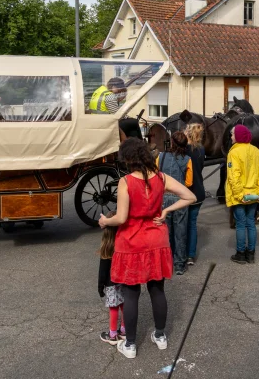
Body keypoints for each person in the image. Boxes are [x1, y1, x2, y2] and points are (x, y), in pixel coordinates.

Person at [99, 138, 195, 360]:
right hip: (156, 240)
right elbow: (190, 196)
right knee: (157, 290)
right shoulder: (161, 177)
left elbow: (121, 217)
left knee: (131, 294)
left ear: (128, 158)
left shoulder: (126, 181)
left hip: (131, 241)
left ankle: (130, 344)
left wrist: (105, 222)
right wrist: (166, 211)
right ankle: (160, 336)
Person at [226, 124, 259, 265]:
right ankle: (251, 254)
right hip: (254, 194)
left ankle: (240, 253)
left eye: (232, 134)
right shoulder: (256, 151)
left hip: (240, 196)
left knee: (240, 224)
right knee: (251, 223)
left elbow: (233, 176)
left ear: (238, 136)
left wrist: (239, 194)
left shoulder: (234, 153)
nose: (231, 137)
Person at [156, 131, 193, 275]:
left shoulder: (160, 157)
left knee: (166, 232)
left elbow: (156, 175)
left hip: (164, 198)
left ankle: (166, 262)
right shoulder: (188, 159)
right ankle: (179, 264)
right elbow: (189, 182)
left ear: (171, 143)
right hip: (180, 199)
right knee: (181, 231)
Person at [98, 225, 126, 345]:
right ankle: (124, 330)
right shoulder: (123, 245)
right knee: (124, 306)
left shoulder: (106, 248)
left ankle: (113, 334)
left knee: (113, 308)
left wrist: (100, 286)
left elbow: (102, 271)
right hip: (124, 281)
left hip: (111, 283)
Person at [185, 123, 205, 266]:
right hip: (199, 191)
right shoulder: (201, 150)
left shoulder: (184, 150)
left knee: (181, 224)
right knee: (192, 224)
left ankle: (179, 252)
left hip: (185, 192)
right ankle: (190, 255)